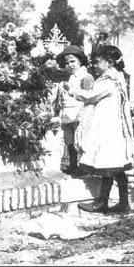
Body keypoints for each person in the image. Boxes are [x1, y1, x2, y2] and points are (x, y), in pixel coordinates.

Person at [70, 45, 134, 214]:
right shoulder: (114, 78)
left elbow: (90, 96)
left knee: (108, 165)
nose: (94, 64)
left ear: (109, 63)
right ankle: (123, 203)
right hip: (110, 126)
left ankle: (102, 203)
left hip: (108, 129)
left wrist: (72, 91)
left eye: (98, 62)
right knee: (117, 168)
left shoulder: (109, 81)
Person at [54, 45, 94, 175]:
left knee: (79, 141)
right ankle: (73, 166)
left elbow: (88, 97)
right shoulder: (70, 78)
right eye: (67, 63)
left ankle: (83, 167)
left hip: (79, 113)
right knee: (69, 141)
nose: (70, 65)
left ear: (80, 61)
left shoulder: (85, 77)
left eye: (73, 61)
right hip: (68, 113)